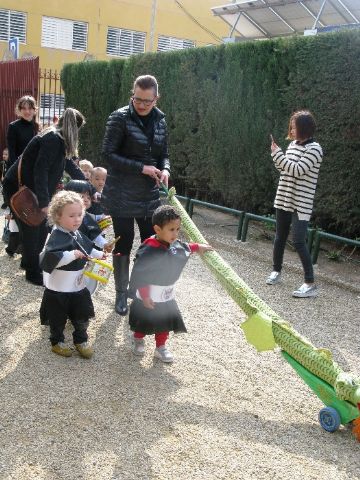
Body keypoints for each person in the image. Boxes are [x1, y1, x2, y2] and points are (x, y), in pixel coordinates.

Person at [102, 74, 171, 316]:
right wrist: (141, 168)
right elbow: (108, 154)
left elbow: (164, 153)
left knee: (150, 245)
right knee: (124, 243)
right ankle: (121, 294)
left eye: (147, 101)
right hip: (121, 192)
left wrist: (165, 169)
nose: (140, 105)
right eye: (137, 99)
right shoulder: (119, 117)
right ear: (132, 95)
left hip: (149, 194)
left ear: (156, 98)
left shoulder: (161, 121)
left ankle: (140, 291)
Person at [2, 107, 86, 285]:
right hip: (21, 189)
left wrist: (87, 184)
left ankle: (28, 263)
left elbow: (68, 164)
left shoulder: (56, 137)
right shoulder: (53, 138)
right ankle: (33, 273)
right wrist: (44, 202)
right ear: (74, 128)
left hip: (26, 188)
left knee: (38, 229)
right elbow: (41, 170)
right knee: (35, 230)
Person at [128, 205, 212, 363]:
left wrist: (197, 247)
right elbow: (141, 274)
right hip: (148, 294)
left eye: (177, 229)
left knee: (164, 322)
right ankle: (138, 339)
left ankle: (161, 347)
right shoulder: (148, 249)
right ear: (157, 229)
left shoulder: (173, 243)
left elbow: (183, 247)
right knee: (143, 321)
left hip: (166, 294)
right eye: (171, 229)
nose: (175, 234)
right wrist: (145, 297)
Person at [39, 190, 105, 358]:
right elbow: (49, 259)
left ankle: (81, 340)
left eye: (79, 214)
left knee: (81, 314)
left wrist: (99, 254)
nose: (77, 219)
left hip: (77, 284)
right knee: (57, 318)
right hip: (59, 288)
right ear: (58, 216)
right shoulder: (56, 235)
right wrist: (71, 255)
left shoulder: (75, 232)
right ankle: (57, 341)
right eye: (71, 216)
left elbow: (87, 246)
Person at [266, 110, 323, 298]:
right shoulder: (292, 146)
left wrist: (278, 154)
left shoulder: (315, 149)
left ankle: (310, 282)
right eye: (291, 126)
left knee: (299, 240)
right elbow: (284, 167)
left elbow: (297, 170)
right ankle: (276, 271)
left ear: (304, 128)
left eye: (294, 126)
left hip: (301, 202)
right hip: (284, 196)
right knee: (280, 236)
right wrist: (278, 155)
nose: (291, 129)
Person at [6, 95, 39, 169]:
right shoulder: (13, 126)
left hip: (33, 169)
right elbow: (12, 152)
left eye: (30, 108)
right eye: (24, 108)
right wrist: (17, 169)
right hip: (17, 169)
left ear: (34, 110)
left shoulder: (37, 126)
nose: (27, 111)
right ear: (19, 110)